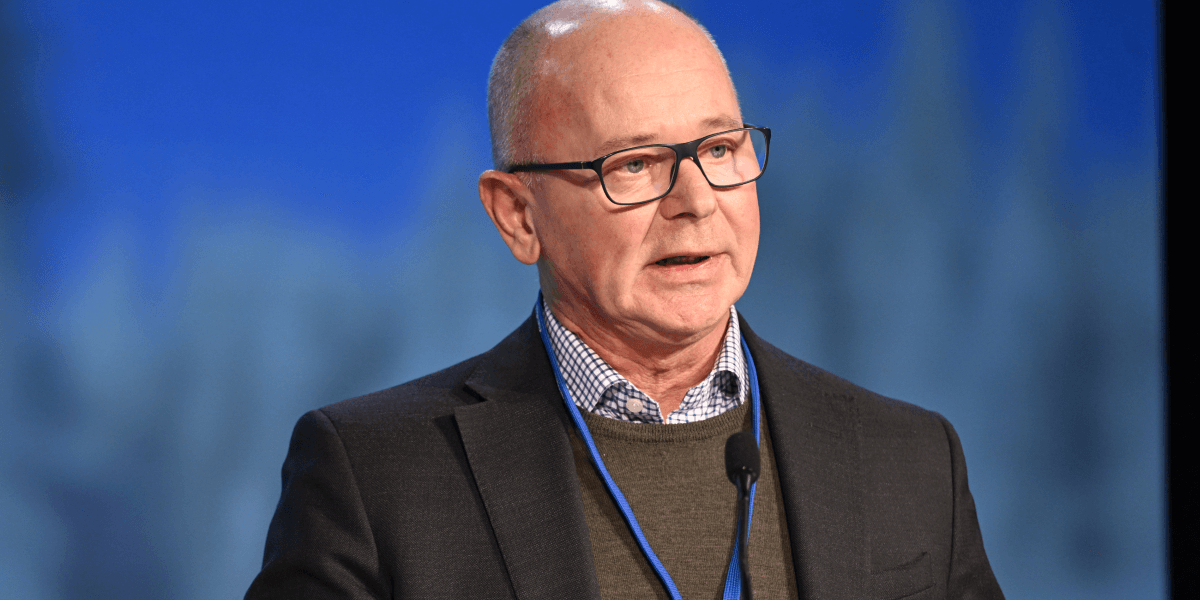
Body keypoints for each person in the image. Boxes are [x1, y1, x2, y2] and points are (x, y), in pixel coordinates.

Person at [246, 1, 1005, 599]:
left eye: (719, 149)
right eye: (635, 164)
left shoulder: (910, 459)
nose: (695, 202)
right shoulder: (375, 477)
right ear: (519, 216)